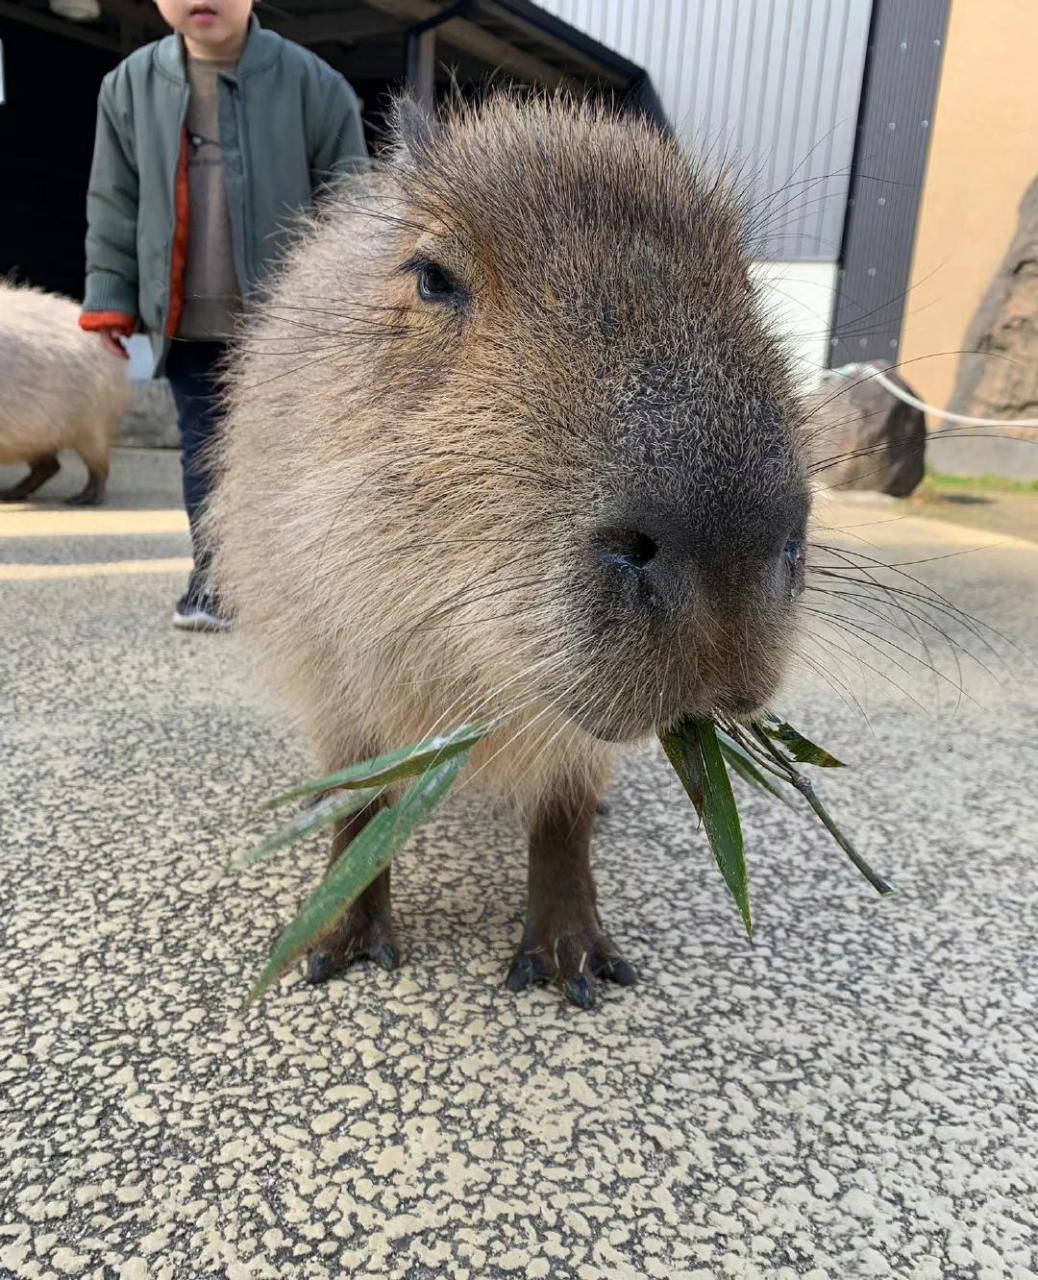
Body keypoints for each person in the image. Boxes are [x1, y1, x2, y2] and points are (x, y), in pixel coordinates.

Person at [79, 0, 367, 630]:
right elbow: (114, 204)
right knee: (203, 450)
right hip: (185, 318)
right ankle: (212, 580)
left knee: (290, 454)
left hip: (288, 330)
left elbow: (351, 205)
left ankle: (292, 588)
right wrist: (111, 300)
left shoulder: (313, 85)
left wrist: (352, 310)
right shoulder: (127, 87)